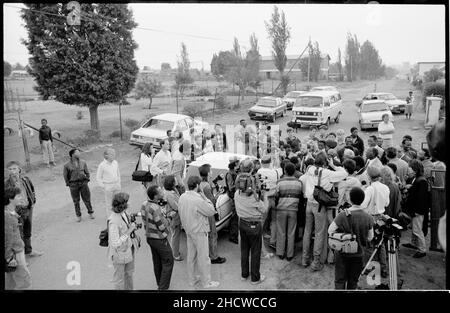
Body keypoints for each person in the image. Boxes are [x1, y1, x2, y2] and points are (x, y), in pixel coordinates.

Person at [302, 153, 348, 271]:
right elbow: (344, 173)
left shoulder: (309, 168)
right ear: (325, 163)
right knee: (319, 233)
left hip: (309, 203)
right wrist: (333, 164)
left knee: (307, 231)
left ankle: (304, 258)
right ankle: (316, 262)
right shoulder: (327, 173)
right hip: (319, 205)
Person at [328, 187, 374, 290]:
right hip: (359, 255)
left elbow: (330, 231)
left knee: (340, 280)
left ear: (350, 199)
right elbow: (370, 238)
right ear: (362, 200)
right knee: (353, 281)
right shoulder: (368, 217)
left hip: (342, 254)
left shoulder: (342, 215)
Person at [178, 176, 220, 288]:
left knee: (191, 257)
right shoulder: (198, 199)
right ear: (197, 186)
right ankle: (206, 282)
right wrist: (205, 197)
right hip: (199, 231)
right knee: (203, 258)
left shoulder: (182, 196)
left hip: (188, 230)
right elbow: (211, 211)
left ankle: (192, 280)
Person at [234, 159, 269, 285]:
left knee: (244, 250)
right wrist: (264, 197)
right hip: (254, 225)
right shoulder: (254, 199)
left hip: (242, 223)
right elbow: (264, 210)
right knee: (255, 252)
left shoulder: (236, 194)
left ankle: (244, 274)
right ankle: (255, 278)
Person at [4, 161, 42, 257]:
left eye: (14, 169)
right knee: (18, 234)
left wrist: (33, 202)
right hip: (16, 210)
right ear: (7, 171)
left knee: (27, 230)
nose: (13, 171)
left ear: (19, 169)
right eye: (10, 169)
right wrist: (11, 211)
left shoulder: (25, 179)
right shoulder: (6, 183)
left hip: (28, 208)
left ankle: (29, 251)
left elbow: (32, 190)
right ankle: (20, 257)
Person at [141, 186, 174, 290]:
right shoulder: (155, 208)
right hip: (159, 239)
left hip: (150, 237)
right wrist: (169, 218)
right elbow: (161, 226)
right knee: (168, 260)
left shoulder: (144, 204)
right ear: (155, 196)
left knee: (157, 261)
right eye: (160, 192)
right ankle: (163, 288)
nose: (162, 192)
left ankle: (160, 283)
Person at [360, 166, 390, 278]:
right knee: (380, 244)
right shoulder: (385, 188)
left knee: (369, 243)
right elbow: (387, 203)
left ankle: (369, 268)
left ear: (368, 176)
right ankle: (383, 268)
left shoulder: (370, 189)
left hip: (371, 217)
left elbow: (362, 205)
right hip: (381, 217)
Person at [108, 192, 140, 290]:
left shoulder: (124, 213)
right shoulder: (113, 221)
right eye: (128, 201)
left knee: (129, 274)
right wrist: (129, 230)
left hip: (128, 250)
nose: (130, 202)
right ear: (123, 205)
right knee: (119, 280)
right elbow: (115, 243)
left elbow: (128, 217)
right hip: (119, 254)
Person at [5, 186, 33, 290]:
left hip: (17, 249)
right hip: (15, 252)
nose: (21, 197)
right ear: (10, 199)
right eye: (18, 196)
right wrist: (9, 257)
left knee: (11, 281)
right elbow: (7, 238)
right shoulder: (7, 216)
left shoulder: (12, 211)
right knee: (24, 281)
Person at [198, 164, 226, 264]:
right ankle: (213, 256)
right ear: (208, 173)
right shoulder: (206, 186)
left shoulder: (201, 183)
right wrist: (219, 193)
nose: (212, 172)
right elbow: (212, 201)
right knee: (213, 234)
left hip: (202, 211)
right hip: (209, 212)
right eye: (210, 170)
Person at [274, 162, 303, 261]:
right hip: (293, 210)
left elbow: (276, 196)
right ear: (294, 171)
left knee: (281, 231)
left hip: (281, 209)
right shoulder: (299, 182)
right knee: (291, 232)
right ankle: (290, 254)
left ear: (285, 171)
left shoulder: (279, 182)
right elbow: (300, 195)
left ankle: (280, 252)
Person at [402, 160, 429, 258]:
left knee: (417, 230)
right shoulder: (416, 179)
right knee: (414, 228)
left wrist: (417, 211)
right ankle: (414, 244)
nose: (408, 169)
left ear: (414, 169)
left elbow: (421, 198)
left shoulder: (421, 181)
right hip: (415, 209)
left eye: (409, 167)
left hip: (418, 210)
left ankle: (422, 250)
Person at [63, 149, 94, 222]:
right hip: (73, 185)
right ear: (73, 154)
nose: (79, 153)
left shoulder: (83, 162)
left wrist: (87, 179)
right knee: (76, 201)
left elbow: (87, 172)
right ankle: (78, 215)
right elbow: (65, 176)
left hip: (83, 183)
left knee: (87, 199)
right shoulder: (66, 165)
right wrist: (69, 184)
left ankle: (90, 212)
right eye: (77, 152)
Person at [96, 148, 121, 219]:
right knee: (109, 204)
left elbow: (118, 173)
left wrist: (119, 182)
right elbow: (98, 177)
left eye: (114, 154)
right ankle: (110, 218)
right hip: (108, 186)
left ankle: (118, 216)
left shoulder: (115, 162)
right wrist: (104, 187)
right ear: (106, 156)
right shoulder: (102, 165)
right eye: (112, 154)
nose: (114, 155)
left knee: (118, 201)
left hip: (116, 185)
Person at [163, 175, 183, 261]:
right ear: (172, 183)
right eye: (175, 180)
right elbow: (175, 206)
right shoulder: (169, 194)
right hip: (174, 218)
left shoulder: (172, 190)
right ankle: (175, 254)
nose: (177, 180)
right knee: (175, 235)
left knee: (174, 234)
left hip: (174, 217)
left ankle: (174, 251)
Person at [225, 156, 240, 244]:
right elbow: (231, 187)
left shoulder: (233, 173)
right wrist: (238, 184)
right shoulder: (230, 174)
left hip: (234, 196)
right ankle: (233, 235)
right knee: (234, 216)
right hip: (233, 197)